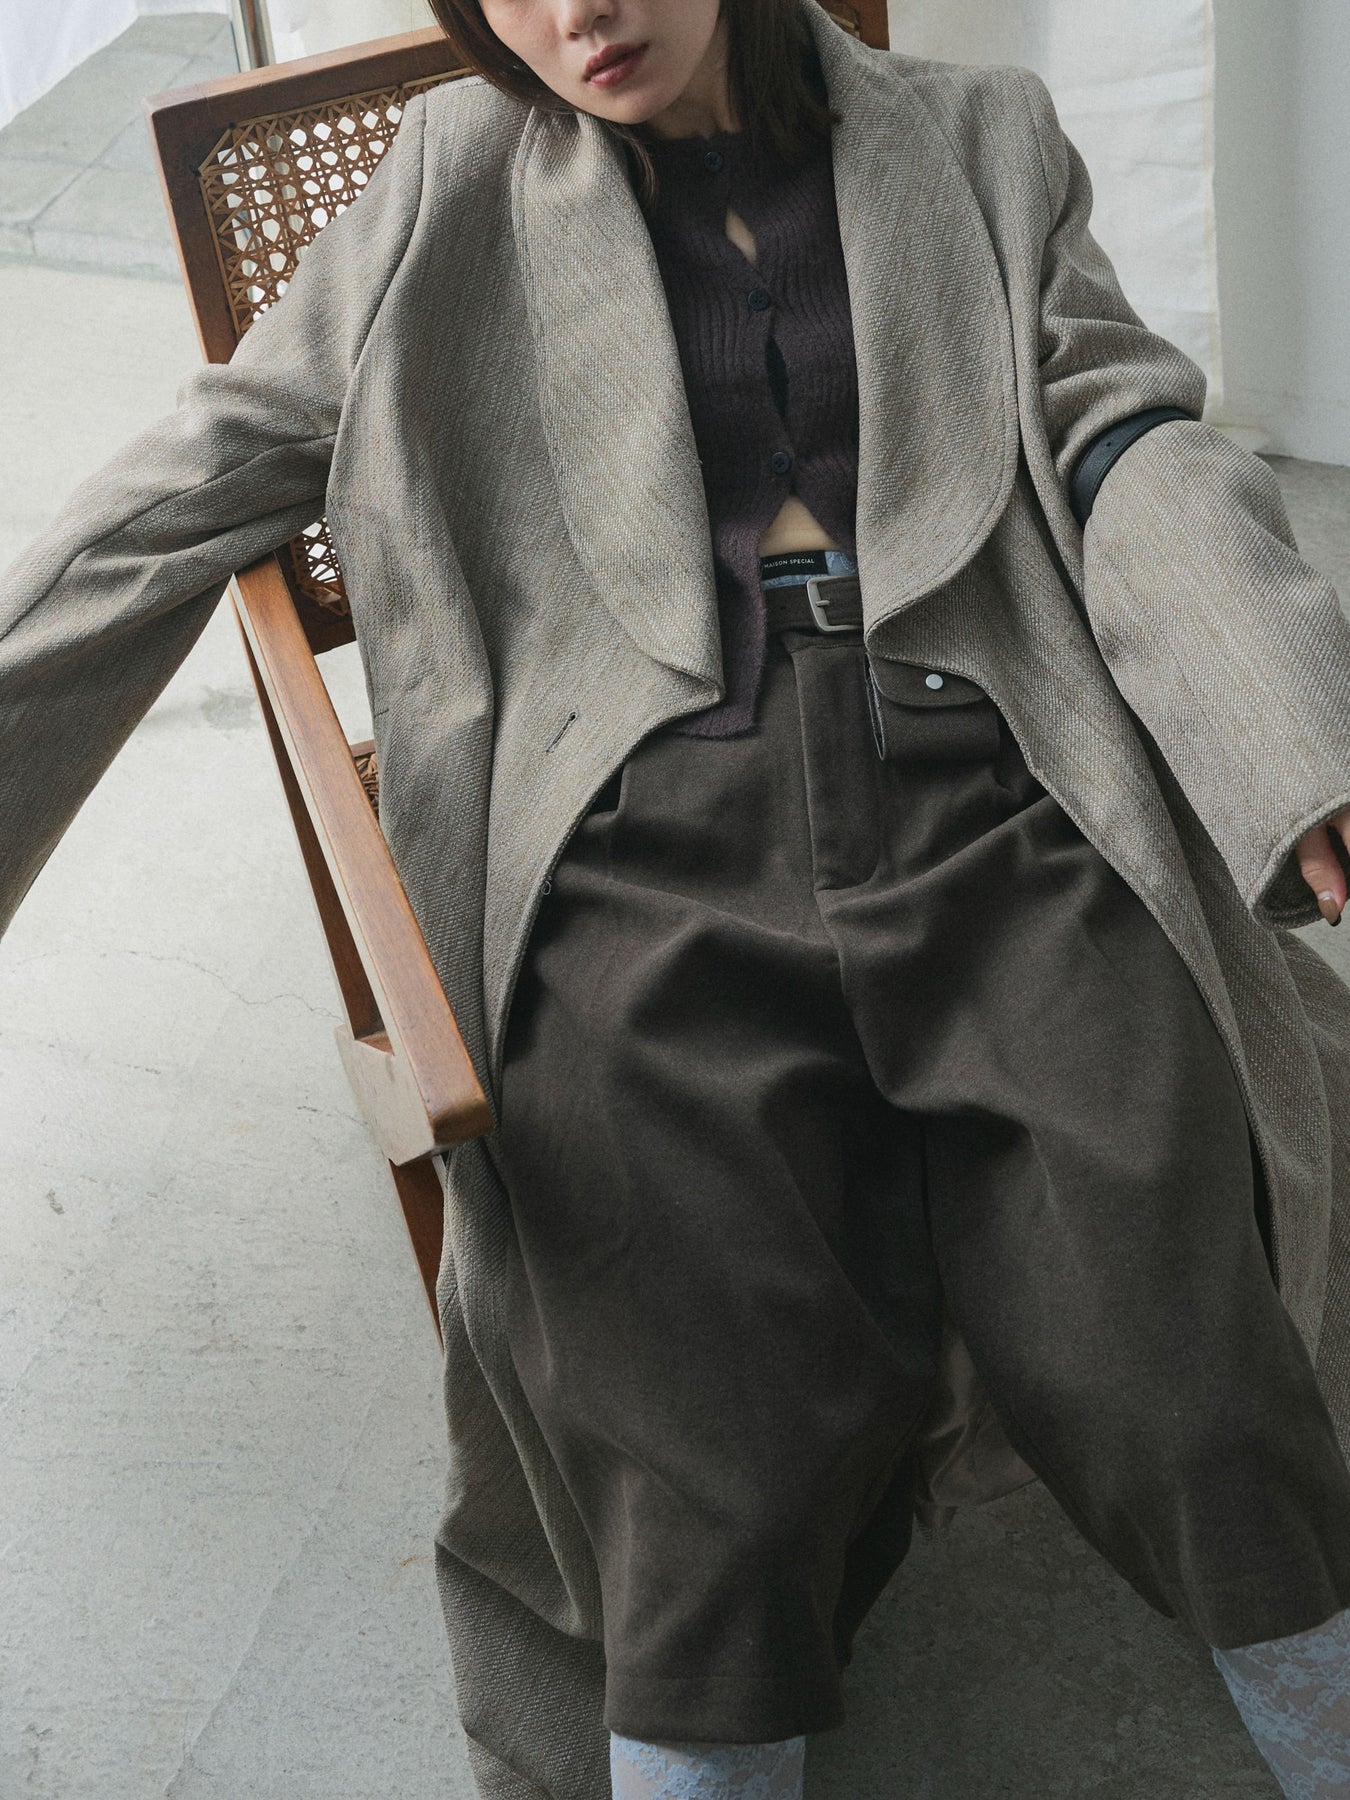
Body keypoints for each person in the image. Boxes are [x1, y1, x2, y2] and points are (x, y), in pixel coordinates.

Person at [3, 0, 1350, 1794]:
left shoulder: (978, 136)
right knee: (695, 1420)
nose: (577, 14)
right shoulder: (447, 182)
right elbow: (196, 477)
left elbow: (1121, 439)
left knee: (1175, 1347)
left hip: (991, 780)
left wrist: (1289, 727)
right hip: (634, 835)